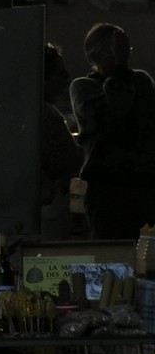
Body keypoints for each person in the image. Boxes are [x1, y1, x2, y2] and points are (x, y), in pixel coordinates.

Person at [69, 22, 155, 239]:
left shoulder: (141, 81)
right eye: (115, 51)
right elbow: (114, 111)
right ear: (96, 54)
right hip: (107, 188)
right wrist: (120, 69)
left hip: (144, 184)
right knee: (111, 253)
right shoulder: (82, 88)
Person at [41, 42, 84, 239]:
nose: (67, 78)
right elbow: (70, 162)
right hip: (47, 209)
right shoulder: (47, 115)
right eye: (60, 73)